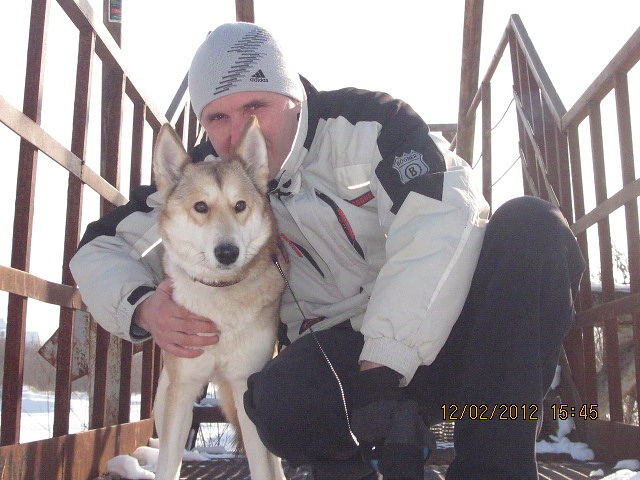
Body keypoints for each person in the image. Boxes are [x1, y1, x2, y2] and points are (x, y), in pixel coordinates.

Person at [70, 22, 585, 480]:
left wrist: (386, 363)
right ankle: (348, 460)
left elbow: (442, 219)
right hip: (339, 347)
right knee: (276, 406)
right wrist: (143, 307)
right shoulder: (207, 175)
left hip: (451, 333)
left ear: (292, 97)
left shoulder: (372, 123)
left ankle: (495, 466)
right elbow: (98, 248)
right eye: (217, 116)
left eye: (256, 107)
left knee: (533, 229)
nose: (238, 132)